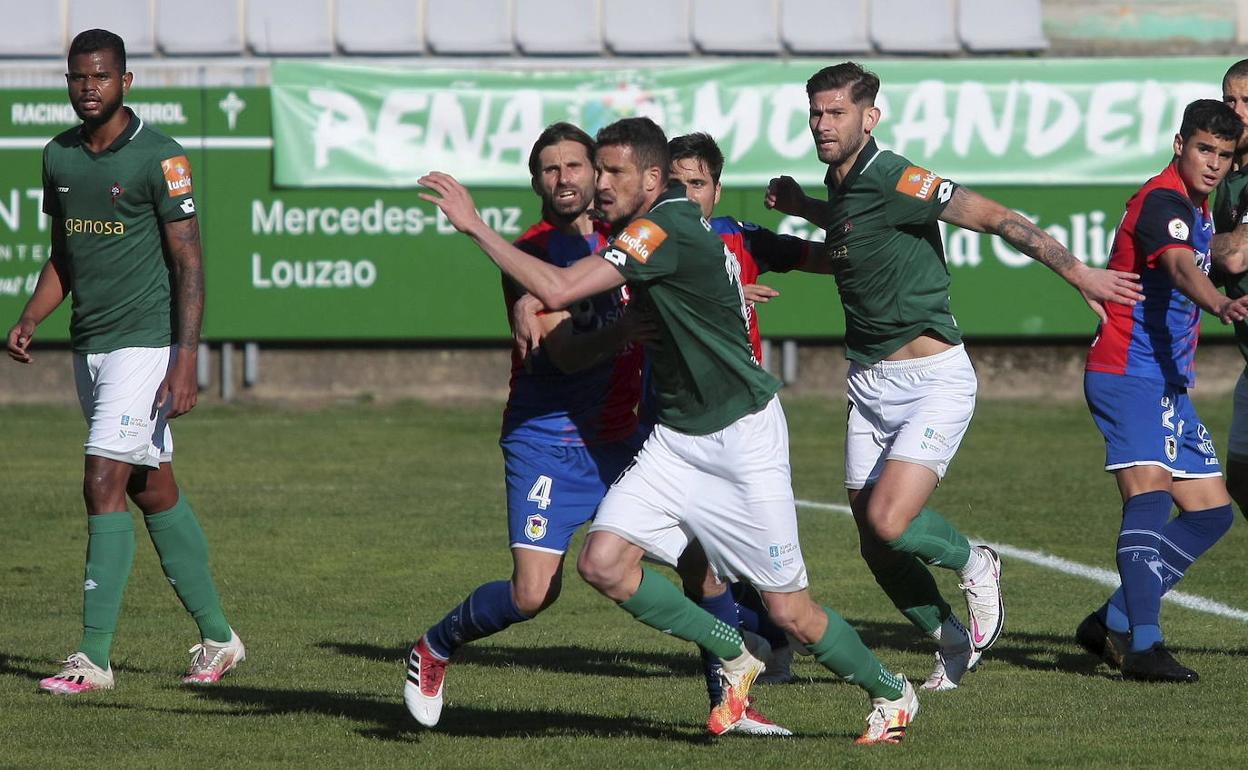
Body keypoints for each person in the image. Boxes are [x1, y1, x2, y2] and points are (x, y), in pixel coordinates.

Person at [419, 117, 918, 745]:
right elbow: (563, 267)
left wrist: (475, 227)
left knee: (791, 610)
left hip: (742, 436)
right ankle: (735, 654)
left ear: (651, 180)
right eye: (595, 169)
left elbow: (563, 282)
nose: (598, 183)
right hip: (677, 440)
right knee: (604, 564)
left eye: (612, 172)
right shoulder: (647, 223)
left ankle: (891, 692)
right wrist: (529, 298)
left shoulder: (661, 225)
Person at [764, 62, 1145, 691]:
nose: (823, 124)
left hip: (932, 380)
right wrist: (806, 207)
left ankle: (977, 561)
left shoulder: (895, 175)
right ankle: (949, 639)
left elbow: (994, 217)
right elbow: (855, 244)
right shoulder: (842, 181)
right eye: (816, 113)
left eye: (836, 113)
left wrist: (1079, 273)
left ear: (870, 117)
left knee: (889, 520)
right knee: (874, 542)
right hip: (867, 383)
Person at [5, 29, 243, 694]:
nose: (89, 88)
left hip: (147, 342)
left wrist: (185, 358)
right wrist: (30, 317)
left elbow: (189, 261)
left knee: (102, 480)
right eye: (78, 77)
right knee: (149, 486)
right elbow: (65, 253)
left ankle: (92, 659)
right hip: (93, 344)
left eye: (101, 77)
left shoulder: (161, 160)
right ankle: (220, 639)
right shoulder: (58, 157)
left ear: (125, 82)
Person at [404, 122, 648, 727]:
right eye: (549, 169)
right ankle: (434, 647)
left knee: (698, 556)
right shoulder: (531, 254)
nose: (563, 179)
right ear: (535, 180)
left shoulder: (631, 237)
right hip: (549, 441)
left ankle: (733, 693)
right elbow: (563, 353)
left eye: (574, 166)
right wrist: (633, 329)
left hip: (623, 435)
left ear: (597, 173)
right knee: (533, 593)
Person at [1075, 99, 1246, 682]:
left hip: (1165, 382)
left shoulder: (1198, 208)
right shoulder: (1163, 201)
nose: (1214, 164)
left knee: (1210, 513)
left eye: (1224, 155)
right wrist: (1221, 301)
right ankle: (1143, 645)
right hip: (1126, 373)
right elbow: (1177, 265)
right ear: (1180, 145)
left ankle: (1112, 619)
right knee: (1147, 496)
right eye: (1204, 150)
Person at [1211, 59, 1248, 520]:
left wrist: (1182, 238)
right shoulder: (1227, 175)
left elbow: (1237, 255)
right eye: (1230, 101)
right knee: (1239, 478)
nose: (1237, 112)